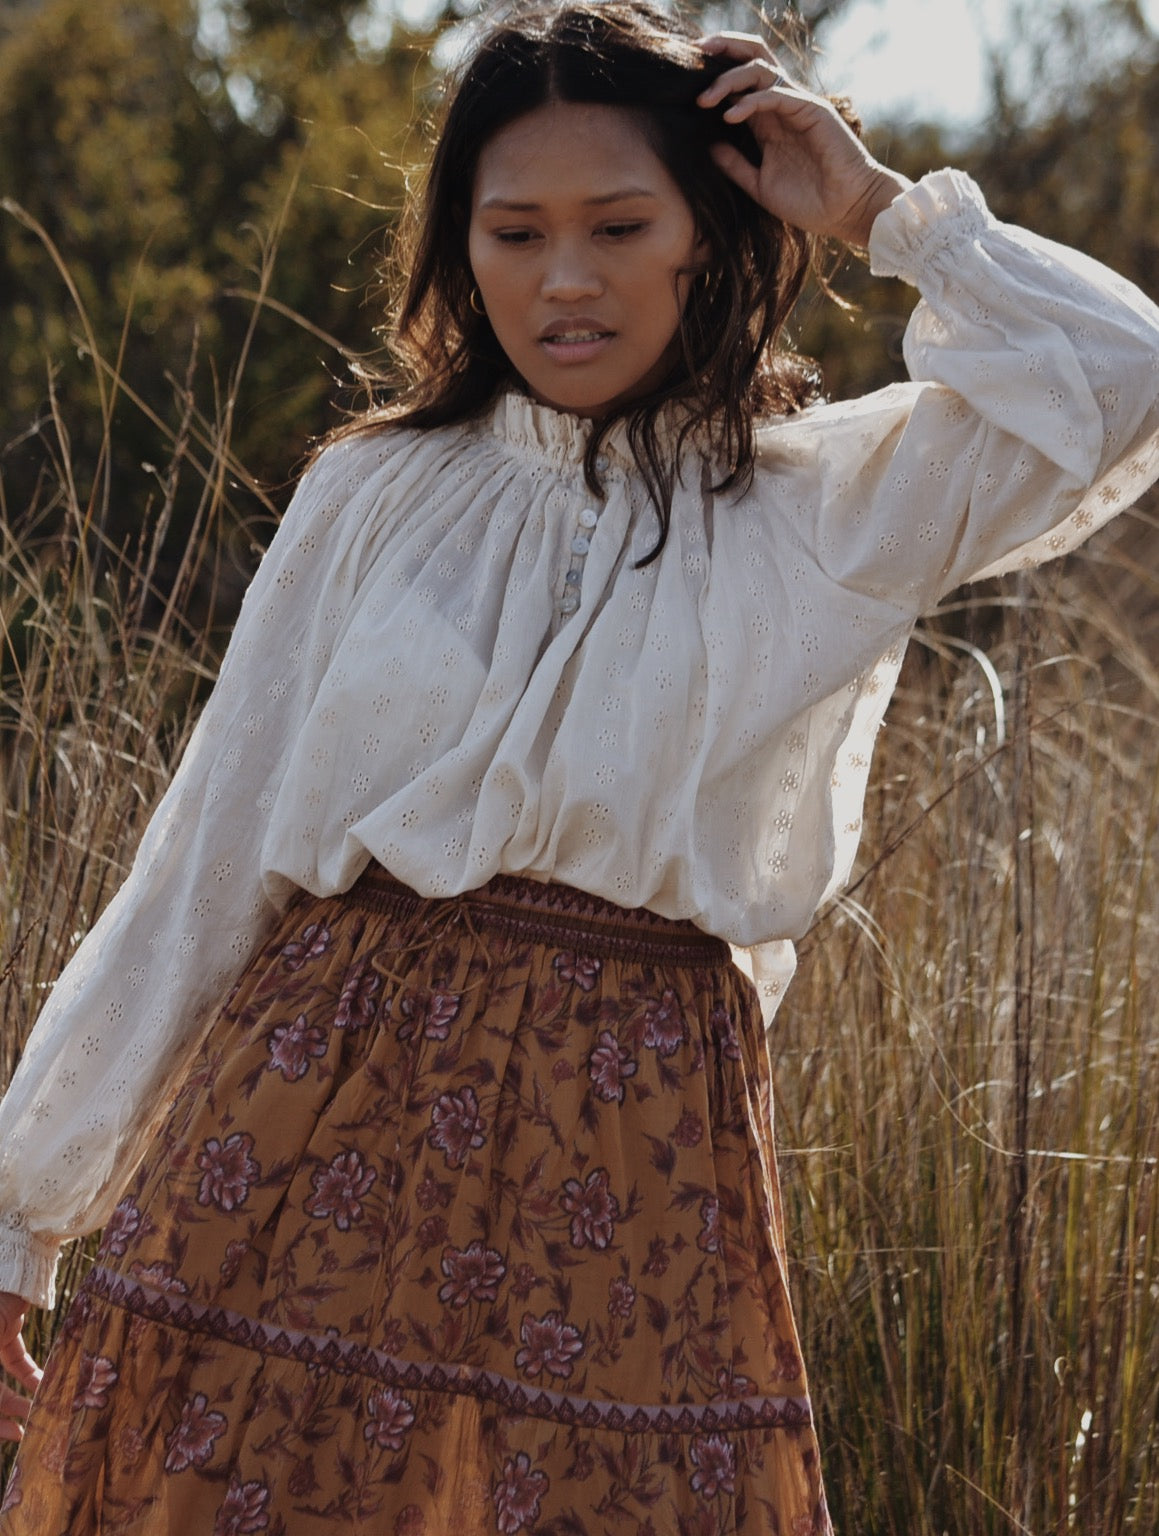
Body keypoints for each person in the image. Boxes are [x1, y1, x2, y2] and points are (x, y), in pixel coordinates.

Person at [1, 2, 1157, 1531]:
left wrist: (879, 209)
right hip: (307, 1115)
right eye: (515, 231)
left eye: (620, 225)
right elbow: (212, 853)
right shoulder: (374, 492)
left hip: (634, 1139)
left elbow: (1123, 376)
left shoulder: (833, 506)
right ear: (459, 251)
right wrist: (26, 1215)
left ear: (710, 231)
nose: (564, 278)